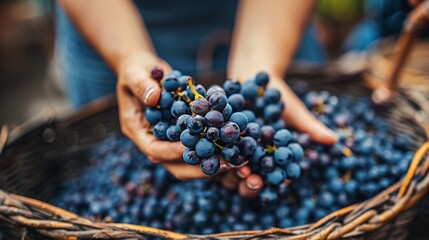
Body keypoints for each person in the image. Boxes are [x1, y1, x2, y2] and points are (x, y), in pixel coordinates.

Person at [56, 0, 338, 198]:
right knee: (115, 146)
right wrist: (128, 56)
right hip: (110, 24)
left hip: (267, 23)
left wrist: (257, 64)